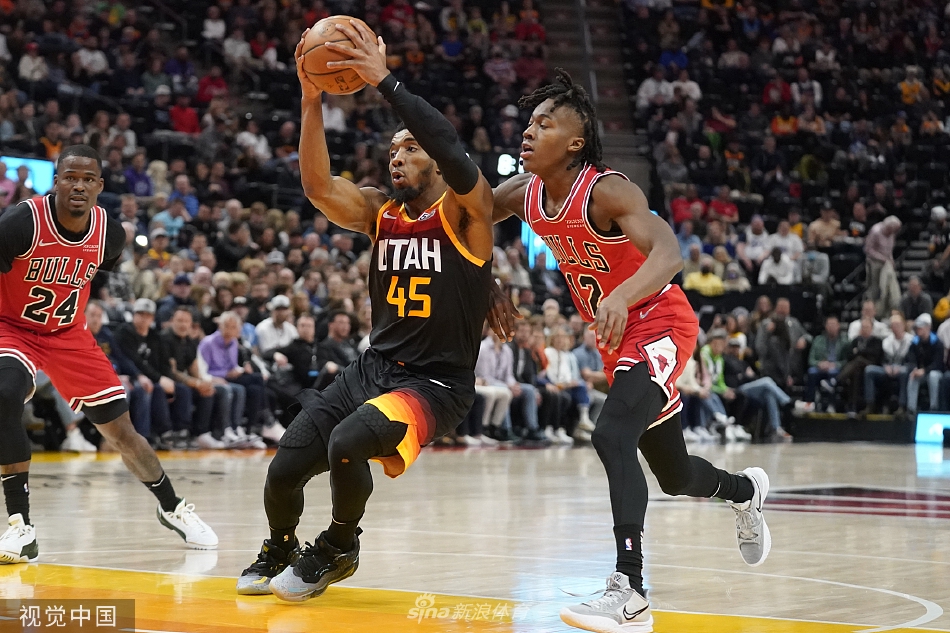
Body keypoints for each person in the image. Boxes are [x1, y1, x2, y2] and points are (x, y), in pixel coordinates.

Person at [492, 70, 770, 633]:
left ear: (575, 142)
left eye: (545, 123)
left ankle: (631, 591)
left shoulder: (606, 191)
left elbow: (669, 253)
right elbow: (466, 217)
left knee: (611, 435)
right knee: (674, 475)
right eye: (529, 122)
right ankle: (745, 491)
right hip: (615, 337)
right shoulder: (523, 194)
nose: (529, 131)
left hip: (660, 321)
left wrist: (621, 294)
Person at [236, 22, 497, 601]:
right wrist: (310, 98)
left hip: (434, 384)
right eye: (393, 150)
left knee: (349, 441)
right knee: (284, 467)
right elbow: (317, 186)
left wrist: (385, 82)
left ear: (436, 160)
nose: (396, 156)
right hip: (373, 368)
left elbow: (450, 147)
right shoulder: (381, 212)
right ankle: (280, 545)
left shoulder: (466, 215)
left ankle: (338, 546)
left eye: (410, 148)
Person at [0, 145, 216, 562]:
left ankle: (172, 507)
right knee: (4, 393)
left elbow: (96, 275)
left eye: (87, 179)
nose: (78, 186)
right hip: (13, 327)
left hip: (69, 333)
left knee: (121, 432)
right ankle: (21, 527)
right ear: (56, 182)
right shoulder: (20, 222)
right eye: (70, 177)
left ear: (100, 185)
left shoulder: (110, 234)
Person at [865, 314, 911, 414]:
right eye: (893, 325)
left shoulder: (911, 340)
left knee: (904, 372)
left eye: (898, 324)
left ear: (903, 325)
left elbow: (912, 361)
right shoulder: (886, 341)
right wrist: (885, 366)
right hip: (888, 369)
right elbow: (882, 359)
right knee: (869, 370)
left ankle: (902, 406)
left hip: (903, 369)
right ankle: (870, 404)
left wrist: (901, 367)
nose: (895, 327)